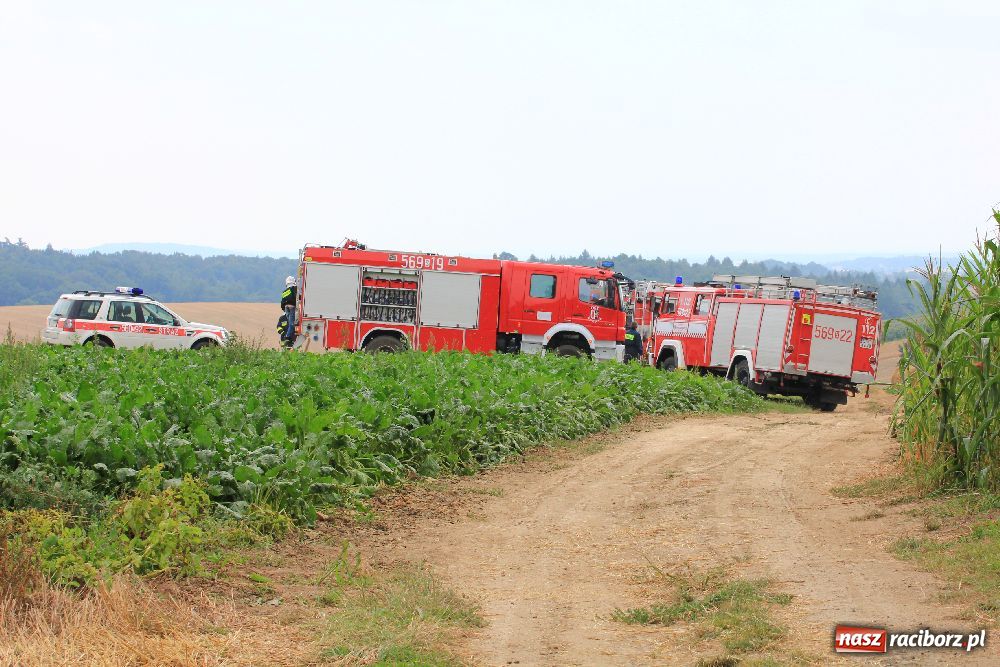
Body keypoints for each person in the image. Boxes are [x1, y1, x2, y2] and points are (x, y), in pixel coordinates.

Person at [280, 276, 297, 346]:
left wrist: (284, 309)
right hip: (292, 307)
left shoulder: (284, 291)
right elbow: (296, 298)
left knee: (289, 323)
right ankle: (288, 338)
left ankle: (288, 336)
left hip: (286, 308)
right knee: (292, 324)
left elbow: (282, 302)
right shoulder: (294, 289)